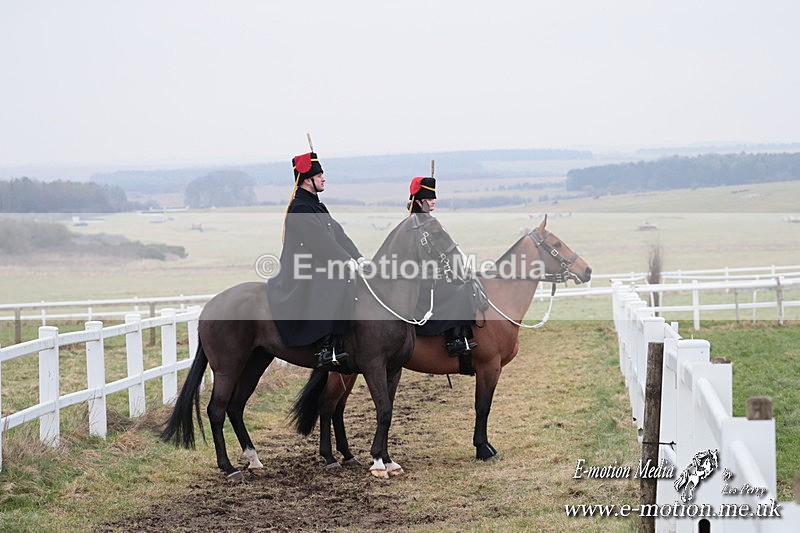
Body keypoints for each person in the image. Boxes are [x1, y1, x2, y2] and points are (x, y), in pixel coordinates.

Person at [267, 150, 365, 368]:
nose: (324, 178)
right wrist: (345, 261)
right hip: (301, 267)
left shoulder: (316, 205)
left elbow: (337, 234)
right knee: (335, 282)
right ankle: (326, 346)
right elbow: (320, 241)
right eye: (320, 175)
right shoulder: (300, 207)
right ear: (308, 179)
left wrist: (358, 258)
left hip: (319, 261)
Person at [408, 176, 478, 358]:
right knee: (458, 292)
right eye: (430, 199)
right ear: (421, 201)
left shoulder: (426, 222)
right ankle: (454, 340)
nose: (434, 202)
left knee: (462, 286)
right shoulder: (414, 224)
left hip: (434, 275)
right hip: (419, 280)